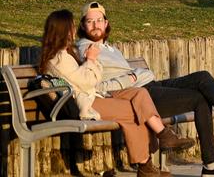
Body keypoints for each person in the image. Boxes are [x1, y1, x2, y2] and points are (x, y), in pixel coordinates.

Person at [76, 2, 214, 177]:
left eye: (99, 20)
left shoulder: (109, 47)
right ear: (83, 25)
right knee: (200, 99)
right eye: (90, 21)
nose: (95, 25)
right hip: (142, 96)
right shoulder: (87, 49)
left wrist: (137, 75)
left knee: (202, 77)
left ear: (106, 23)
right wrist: (133, 76)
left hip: (150, 86)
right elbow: (94, 84)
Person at [39, 9, 195, 177]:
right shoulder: (59, 58)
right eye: (71, 26)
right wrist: (91, 60)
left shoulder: (66, 54)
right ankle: (146, 164)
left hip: (95, 94)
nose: (73, 30)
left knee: (140, 94)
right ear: (63, 30)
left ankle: (163, 137)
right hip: (86, 102)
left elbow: (93, 80)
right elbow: (87, 82)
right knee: (132, 111)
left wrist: (91, 63)